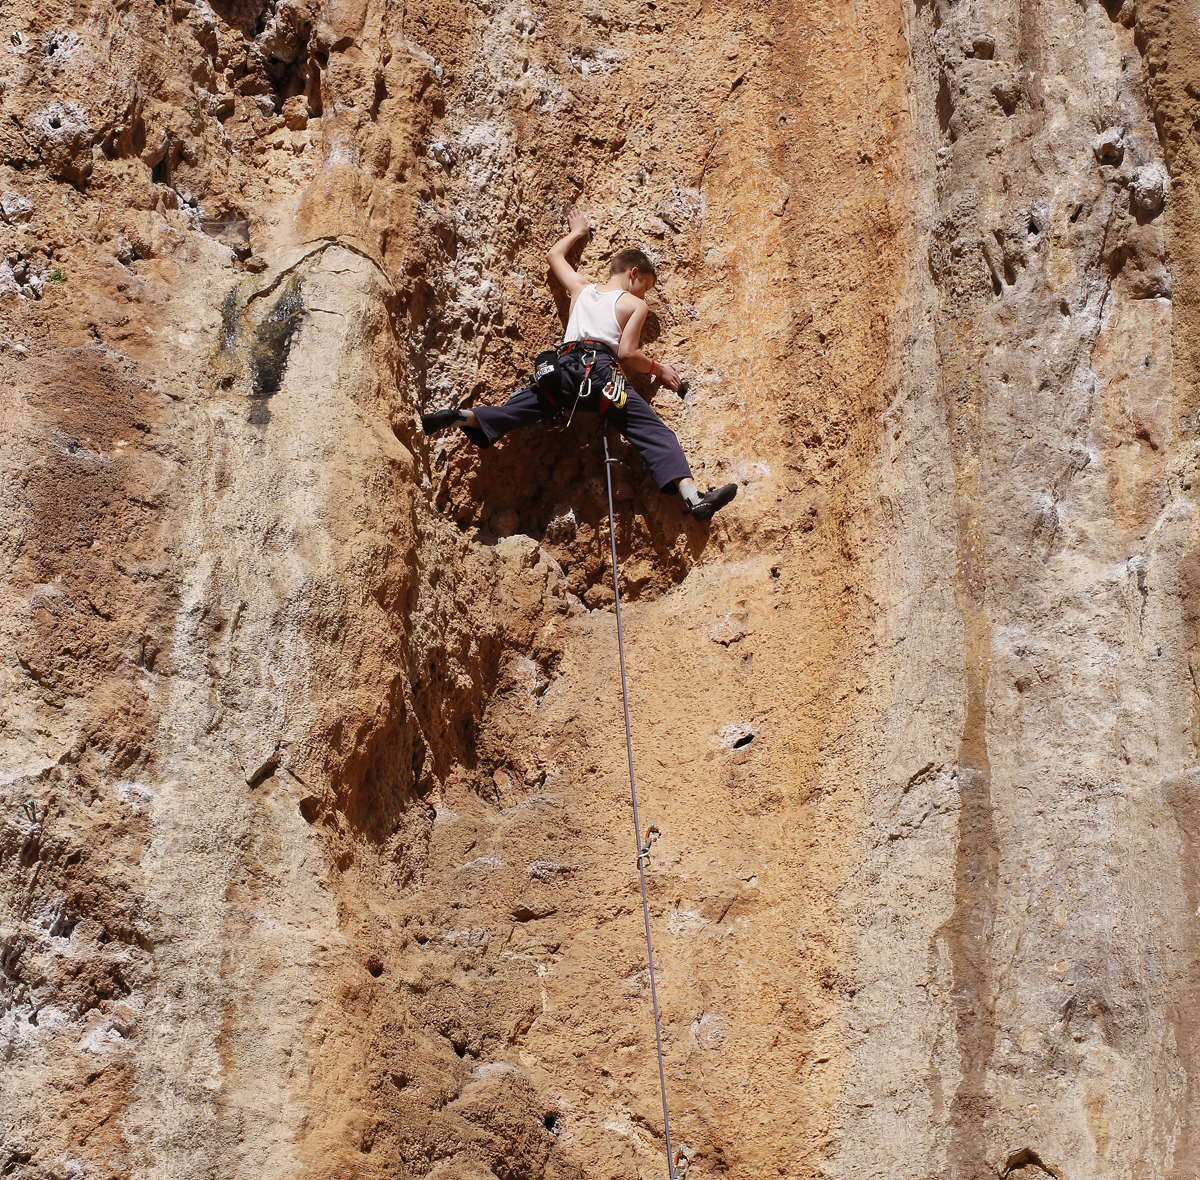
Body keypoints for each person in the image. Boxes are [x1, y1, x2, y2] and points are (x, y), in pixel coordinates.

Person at [421, 208, 738, 522]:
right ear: (634, 273)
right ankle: (694, 498)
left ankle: (464, 416)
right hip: (601, 376)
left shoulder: (581, 288)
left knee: (515, 409)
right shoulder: (634, 304)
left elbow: (553, 257)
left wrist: (576, 233)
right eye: (647, 285)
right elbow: (627, 354)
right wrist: (658, 368)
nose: (646, 294)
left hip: (562, 372)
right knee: (654, 432)